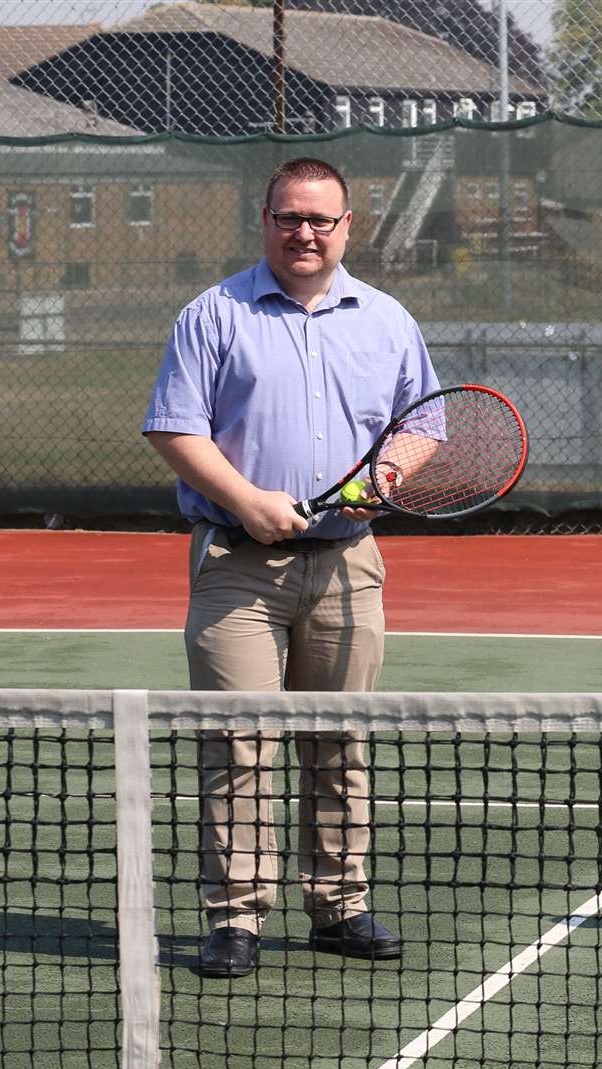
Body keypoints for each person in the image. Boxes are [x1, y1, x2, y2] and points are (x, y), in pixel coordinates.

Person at [143, 157, 439, 978]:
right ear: (265, 219)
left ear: (349, 226)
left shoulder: (386, 320)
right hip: (238, 566)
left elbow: (425, 425)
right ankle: (235, 918)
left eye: (321, 220)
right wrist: (245, 501)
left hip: (349, 565)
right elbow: (175, 428)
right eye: (288, 218)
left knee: (339, 740)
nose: (304, 233)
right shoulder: (213, 315)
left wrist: (385, 479)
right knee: (238, 742)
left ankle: (339, 907)